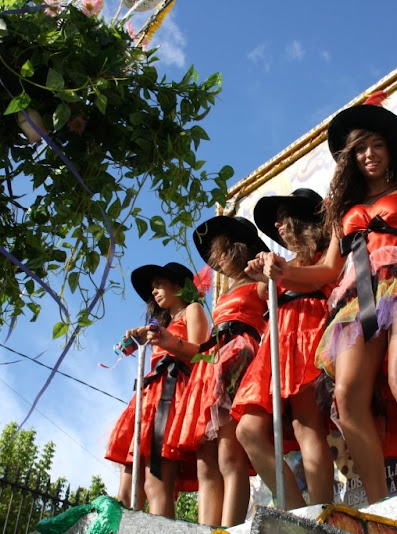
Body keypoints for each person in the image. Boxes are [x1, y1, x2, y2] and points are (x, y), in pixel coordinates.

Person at [260, 91, 397, 504]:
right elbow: (328, 270)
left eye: (377, 144)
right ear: (351, 158)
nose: (369, 154)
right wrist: (283, 270)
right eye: (360, 148)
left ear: (390, 148)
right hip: (355, 297)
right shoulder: (343, 209)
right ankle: (381, 504)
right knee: (346, 396)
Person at [235, 188, 335, 509]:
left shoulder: (326, 252)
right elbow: (263, 292)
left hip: (307, 327)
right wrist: (262, 270)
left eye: (282, 217)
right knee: (248, 430)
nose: (277, 226)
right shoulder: (286, 261)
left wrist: (280, 272)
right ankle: (296, 511)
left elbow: (320, 279)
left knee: (306, 425)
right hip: (277, 339)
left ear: (302, 218)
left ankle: (320, 514)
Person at [166, 216, 268, 527]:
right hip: (212, 363)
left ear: (237, 248)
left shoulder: (258, 281)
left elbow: (277, 299)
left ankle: (228, 529)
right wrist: (169, 342)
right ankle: (206, 529)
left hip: (240, 358)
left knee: (228, 454)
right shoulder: (226, 293)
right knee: (205, 461)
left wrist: (266, 271)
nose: (217, 260)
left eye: (221, 251)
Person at [104, 262, 209, 518]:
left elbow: (201, 354)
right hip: (149, 395)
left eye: (159, 284)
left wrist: (168, 341)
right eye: (152, 287)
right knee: (128, 486)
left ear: (179, 285)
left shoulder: (193, 310)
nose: (154, 291)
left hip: (172, 395)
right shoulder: (164, 324)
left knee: (156, 483)